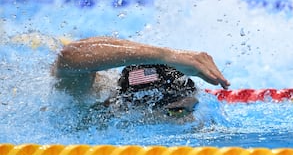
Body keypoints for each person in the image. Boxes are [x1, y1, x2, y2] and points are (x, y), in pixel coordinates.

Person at [52, 36, 230, 117]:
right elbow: (70, 55)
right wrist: (166, 56)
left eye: (193, 107)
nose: (190, 119)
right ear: (140, 111)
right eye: (176, 112)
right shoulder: (80, 99)